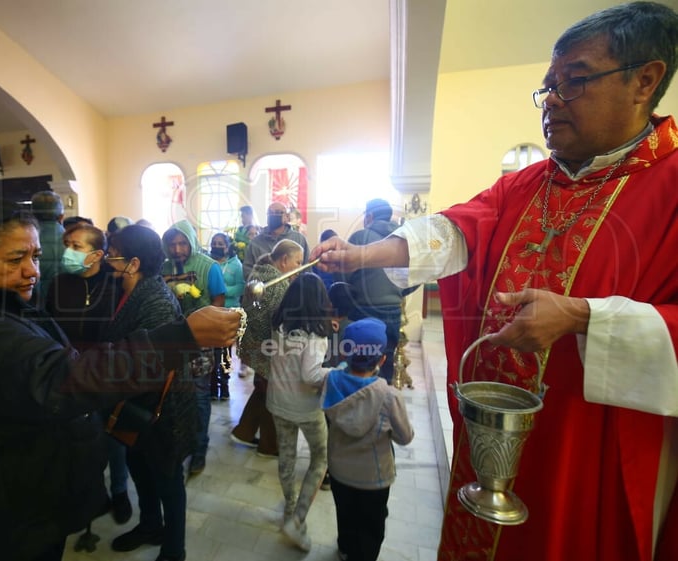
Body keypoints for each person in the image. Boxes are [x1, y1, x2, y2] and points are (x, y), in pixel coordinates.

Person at [313, 4, 678, 560]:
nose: (552, 100)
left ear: (644, 81)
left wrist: (583, 316)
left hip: (584, 442)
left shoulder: (670, 188)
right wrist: (361, 255)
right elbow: (454, 230)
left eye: (573, 82)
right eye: (547, 87)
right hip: (489, 427)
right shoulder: (527, 184)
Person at [0, 199, 241, 561]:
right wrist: (181, 337)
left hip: (20, 493)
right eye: (15, 259)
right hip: (3, 510)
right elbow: (62, 378)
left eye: (34, 255)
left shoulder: (0, 306)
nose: (32, 270)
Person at [104, 225, 196, 561]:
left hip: (161, 409)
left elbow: (152, 364)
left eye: (113, 252)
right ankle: (150, 525)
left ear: (134, 262)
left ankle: (174, 549)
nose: (108, 258)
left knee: (168, 480)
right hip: (135, 407)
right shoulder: (128, 290)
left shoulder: (155, 299)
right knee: (139, 467)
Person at [44, 223, 131, 524]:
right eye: (66, 242)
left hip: (106, 367)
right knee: (78, 435)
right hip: (69, 367)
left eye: (76, 246)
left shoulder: (115, 284)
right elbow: (49, 324)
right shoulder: (58, 284)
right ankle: (91, 492)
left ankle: (119, 490)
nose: (67, 250)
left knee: (112, 435)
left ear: (96, 255)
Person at [322, 318, 414, 561]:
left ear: (345, 351)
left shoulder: (330, 381)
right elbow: (405, 437)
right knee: (371, 524)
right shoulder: (388, 396)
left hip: (339, 470)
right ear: (382, 359)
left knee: (345, 512)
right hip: (373, 477)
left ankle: (345, 549)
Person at [267, 273, 332, 552]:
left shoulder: (279, 324)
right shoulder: (315, 333)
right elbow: (311, 374)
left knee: (287, 456)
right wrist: (338, 373)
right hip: (305, 407)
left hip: (278, 402)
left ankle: (289, 509)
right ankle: (298, 519)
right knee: (321, 457)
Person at [161, 220, 226, 475]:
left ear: (191, 241)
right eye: (172, 244)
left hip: (200, 341)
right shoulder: (163, 267)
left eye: (182, 243)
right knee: (174, 394)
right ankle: (180, 443)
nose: (177, 250)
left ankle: (199, 448)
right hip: (171, 339)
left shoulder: (208, 266)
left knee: (199, 396)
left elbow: (219, 301)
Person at [231, 239, 304, 458]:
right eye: (298, 262)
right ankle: (269, 446)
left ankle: (244, 432)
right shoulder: (278, 284)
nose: (300, 267)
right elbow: (278, 322)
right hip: (267, 348)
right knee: (273, 396)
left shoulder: (258, 273)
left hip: (252, 344)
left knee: (263, 391)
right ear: (284, 260)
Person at [332, 199, 418, 385]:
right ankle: (379, 406)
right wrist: (398, 292)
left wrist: (356, 292)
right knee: (384, 366)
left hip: (362, 313)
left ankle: (354, 407)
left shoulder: (361, 237)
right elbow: (417, 275)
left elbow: (343, 276)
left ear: (369, 216)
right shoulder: (404, 240)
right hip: (393, 313)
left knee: (356, 368)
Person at [209, 232, 244, 400]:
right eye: (214, 243)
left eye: (220, 243)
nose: (216, 246)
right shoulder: (208, 263)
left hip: (229, 313)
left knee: (224, 353)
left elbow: (240, 288)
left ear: (227, 246)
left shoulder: (236, 265)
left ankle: (224, 386)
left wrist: (221, 289)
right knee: (211, 351)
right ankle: (212, 386)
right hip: (212, 312)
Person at [242, 202, 308, 279]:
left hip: (293, 288)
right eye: (270, 213)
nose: (273, 215)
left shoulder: (298, 239)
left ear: (286, 217)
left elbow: (306, 268)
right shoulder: (256, 243)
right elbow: (247, 270)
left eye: (277, 212)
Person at [30, 190, 65, 302]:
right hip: (63, 300)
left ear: (33, 214)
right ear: (61, 217)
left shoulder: (25, 240)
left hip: (32, 301)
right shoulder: (73, 242)